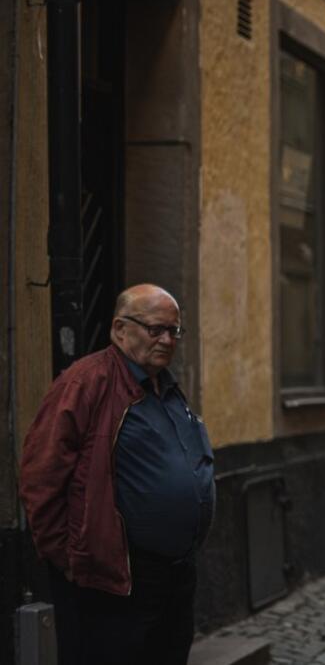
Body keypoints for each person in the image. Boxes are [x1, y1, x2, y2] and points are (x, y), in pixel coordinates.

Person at [20, 284, 214, 665]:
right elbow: (40, 475)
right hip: (115, 577)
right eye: (155, 329)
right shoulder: (86, 382)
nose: (167, 340)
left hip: (174, 573)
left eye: (173, 331)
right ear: (119, 329)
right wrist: (72, 559)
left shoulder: (166, 388)